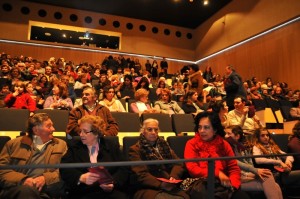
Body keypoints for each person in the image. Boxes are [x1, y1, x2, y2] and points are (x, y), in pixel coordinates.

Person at [184, 112, 250, 199]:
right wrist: (217, 173)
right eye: (200, 127)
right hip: (202, 183)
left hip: (224, 183)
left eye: (206, 127)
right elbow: (193, 169)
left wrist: (233, 185)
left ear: (215, 130)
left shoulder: (224, 144)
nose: (202, 131)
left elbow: (233, 168)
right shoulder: (191, 144)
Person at [0, 113, 67, 199]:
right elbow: (2, 170)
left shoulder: (61, 145)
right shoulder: (13, 144)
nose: (53, 129)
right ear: (36, 130)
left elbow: (65, 171)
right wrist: (23, 180)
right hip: (17, 190)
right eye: (49, 126)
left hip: (46, 191)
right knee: (26, 192)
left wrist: (46, 178)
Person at [60, 115, 128, 199]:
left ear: (96, 133)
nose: (81, 134)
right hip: (83, 191)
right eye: (80, 131)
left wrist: (113, 182)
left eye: (85, 131)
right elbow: (64, 168)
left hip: (109, 192)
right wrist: (80, 177)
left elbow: (124, 168)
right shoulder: (74, 147)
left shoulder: (111, 145)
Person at [128, 118, 190, 199]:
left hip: (170, 184)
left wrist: (173, 177)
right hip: (149, 188)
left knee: (186, 197)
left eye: (156, 129)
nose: (153, 132)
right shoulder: (135, 149)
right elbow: (141, 174)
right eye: (149, 129)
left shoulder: (165, 146)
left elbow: (178, 163)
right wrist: (161, 184)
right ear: (143, 131)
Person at [226, 126, 283, 199]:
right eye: (226, 133)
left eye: (228, 134)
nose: (225, 136)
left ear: (237, 136)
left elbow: (250, 163)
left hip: (246, 176)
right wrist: (253, 172)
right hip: (237, 179)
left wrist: (252, 173)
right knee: (272, 184)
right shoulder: (227, 147)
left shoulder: (242, 147)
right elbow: (235, 163)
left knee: (269, 176)